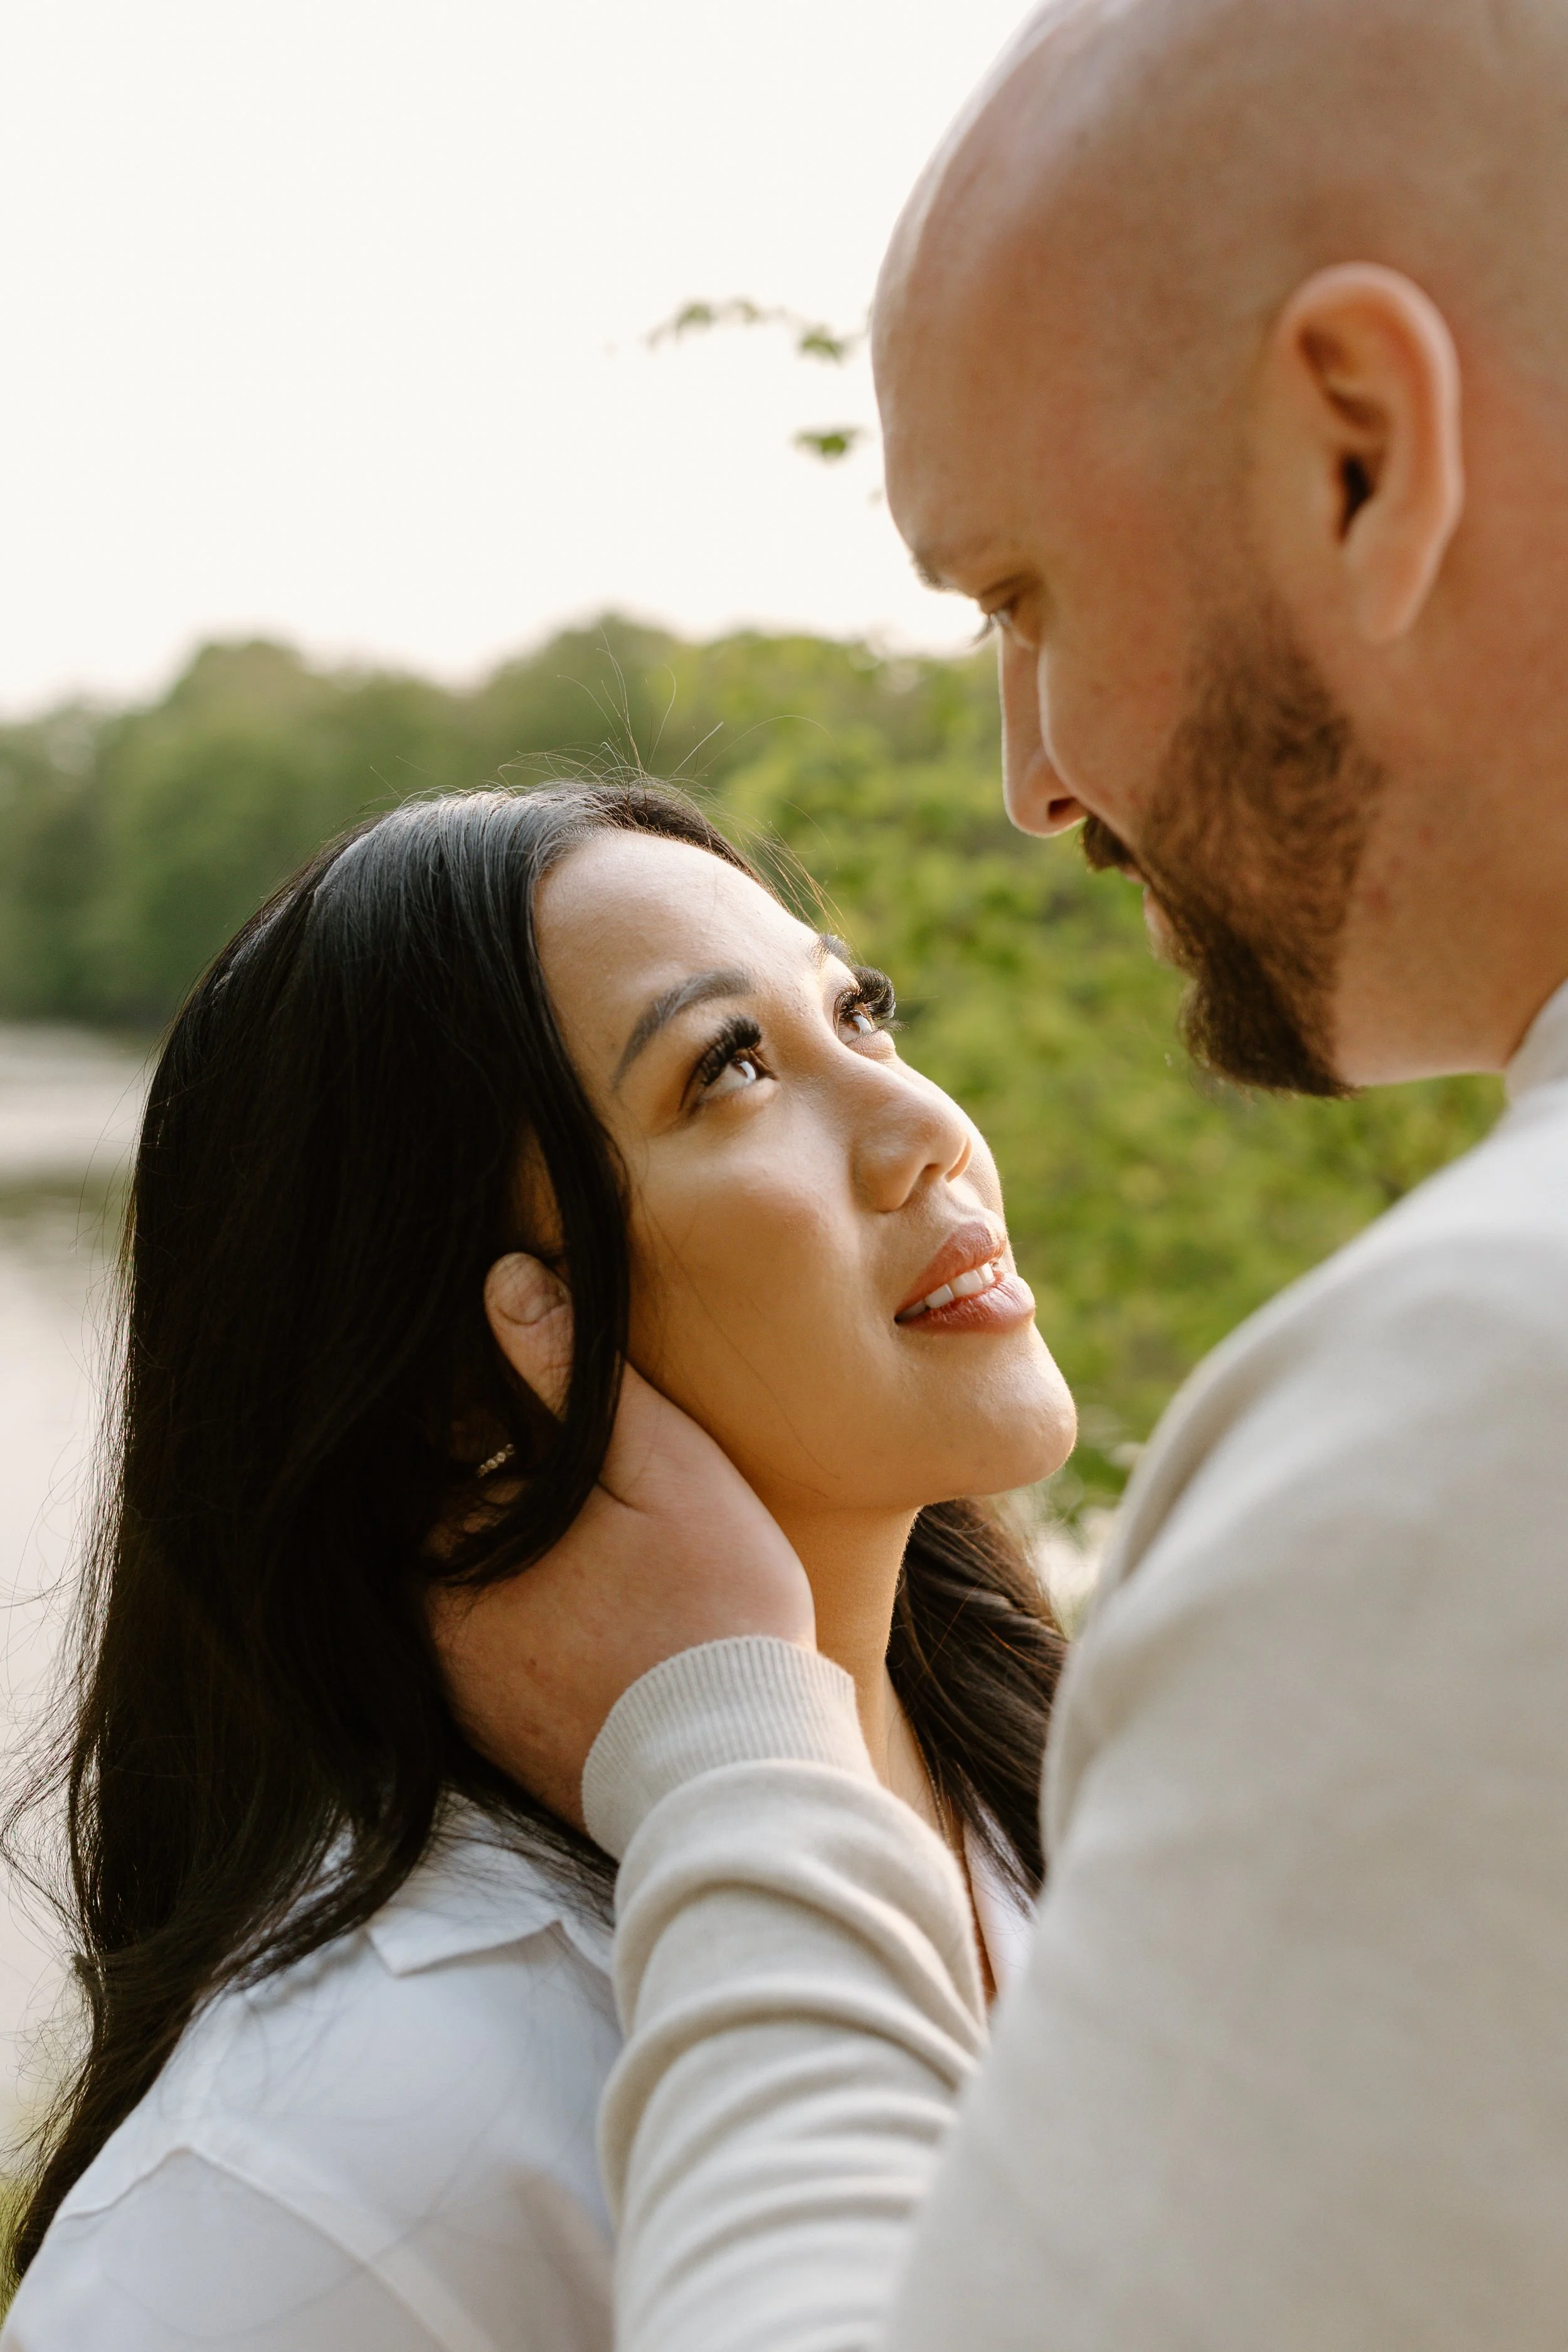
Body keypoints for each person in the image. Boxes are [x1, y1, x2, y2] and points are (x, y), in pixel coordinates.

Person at [428, 3, 1568, 2347]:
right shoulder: (339, 2148)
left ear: (1362, 450)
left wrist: (727, 1753)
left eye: (1025, 596)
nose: (1035, 779)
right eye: (732, 1063)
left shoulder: (1474, 1418)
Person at [0, 781, 1075, 2351]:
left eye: (863, 1015)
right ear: (468, 1376)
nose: (929, 1134)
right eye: (731, 1068)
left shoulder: (1112, 1794)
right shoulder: (304, 2191)